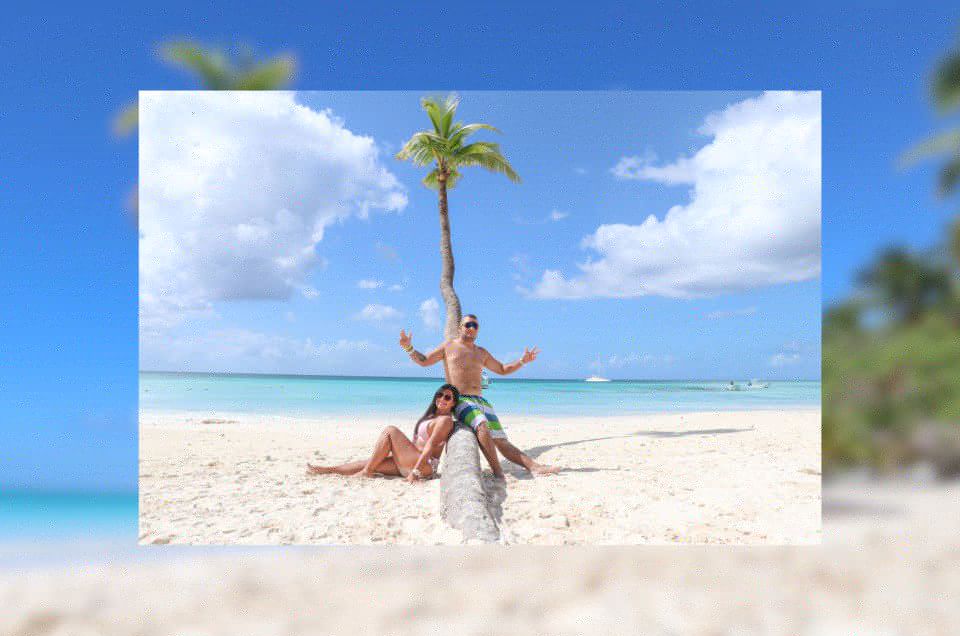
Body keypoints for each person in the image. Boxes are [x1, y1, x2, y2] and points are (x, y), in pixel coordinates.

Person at [399, 314, 560, 476]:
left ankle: (534, 467)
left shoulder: (481, 352)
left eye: (475, 326)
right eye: (468, 324)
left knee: (501, 440)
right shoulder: (449, 346)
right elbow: (424, 361)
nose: (472, 328)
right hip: (461, 400)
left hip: (481, 401)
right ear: (460, 327)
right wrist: (408, 348)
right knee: (481, 425)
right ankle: (498, 472)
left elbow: (503, 370)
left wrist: (522, 361)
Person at [306, 384, 459, 482]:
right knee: (371, 462)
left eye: (447, 397)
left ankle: (367, 472)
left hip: (424, 466)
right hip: (410, 460)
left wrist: (416, 472)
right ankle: (327, 470)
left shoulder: (445, 420)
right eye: (440, 395)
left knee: (390, 430)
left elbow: (430, 447)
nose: (442, 399)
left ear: (453, 403)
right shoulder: (432, 417)